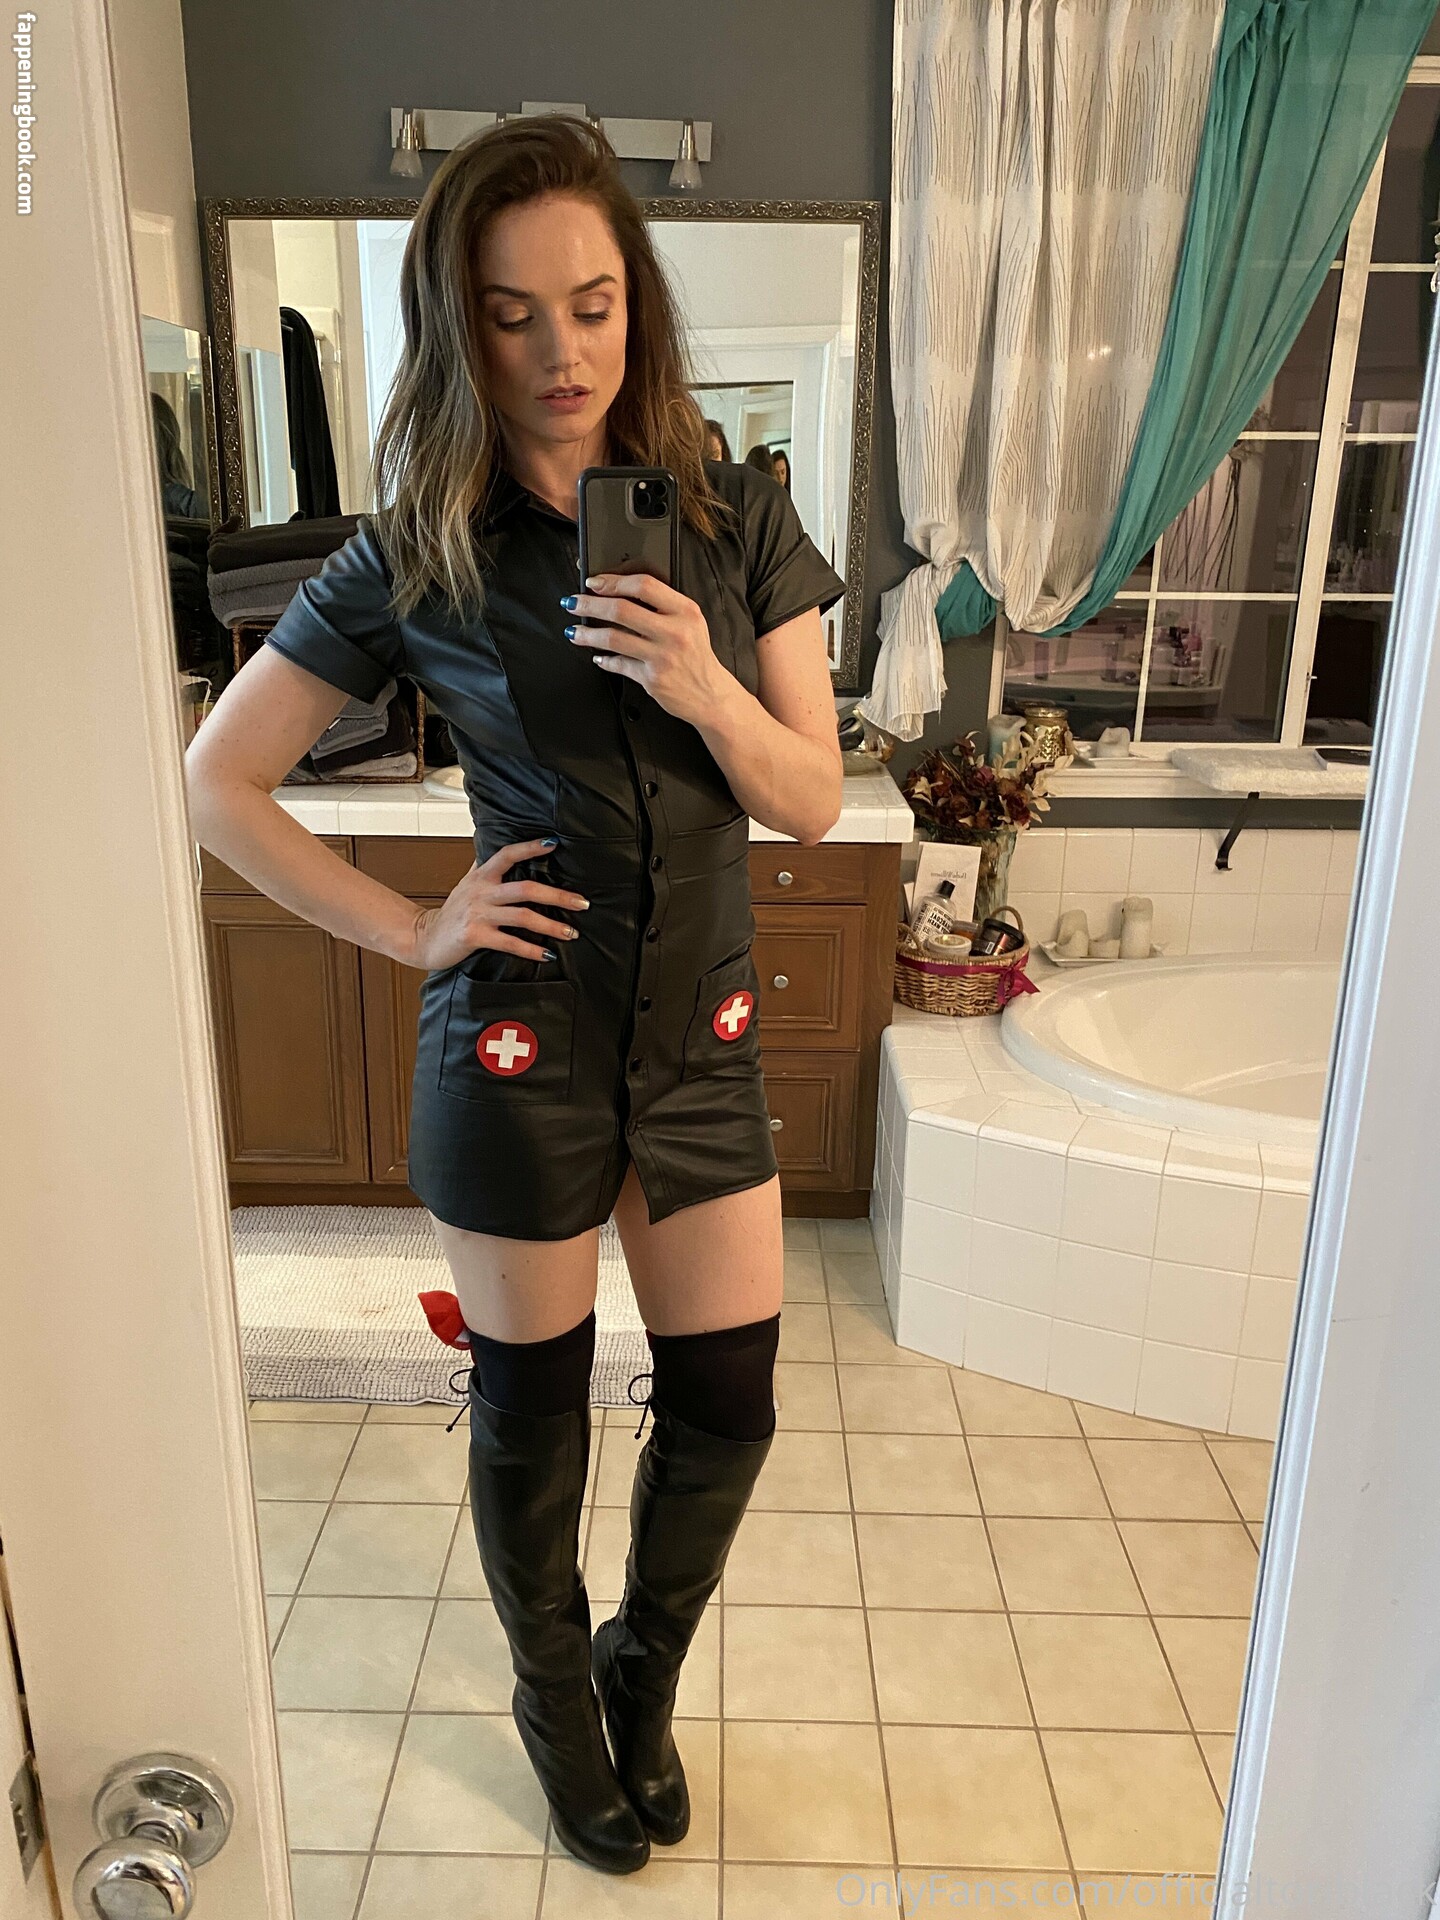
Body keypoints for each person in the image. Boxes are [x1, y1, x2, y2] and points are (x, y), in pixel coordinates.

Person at [184, 115, 844, 1877]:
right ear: (457, 327)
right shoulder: (418, 550)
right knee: (531, 1416)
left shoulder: (740, 518)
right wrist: (416, 930)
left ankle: (640, 1672)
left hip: (699, 1041)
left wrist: (704, 682)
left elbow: (810, 795)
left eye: (594, 305)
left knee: (731, 1402)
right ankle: (555, 1703)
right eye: (512, 314)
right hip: (519, 1041)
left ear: (641, 307)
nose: (562, 353)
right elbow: (219, 783)